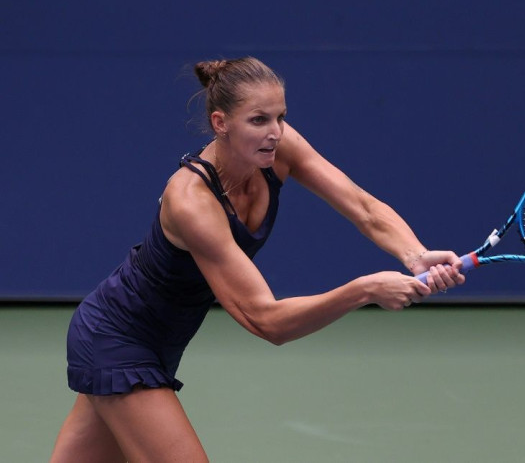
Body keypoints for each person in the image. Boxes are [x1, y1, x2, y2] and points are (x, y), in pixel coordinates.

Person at [50, 56, 465, 462]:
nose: (275, 132)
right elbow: (267, 321)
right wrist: (365, 290)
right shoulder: (191, 201)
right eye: (259, 120)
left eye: (280, 117)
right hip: (116, 340)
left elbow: (363, 207)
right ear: (220, 123)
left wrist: (415, 254)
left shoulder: (280, 149)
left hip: (156, 343)